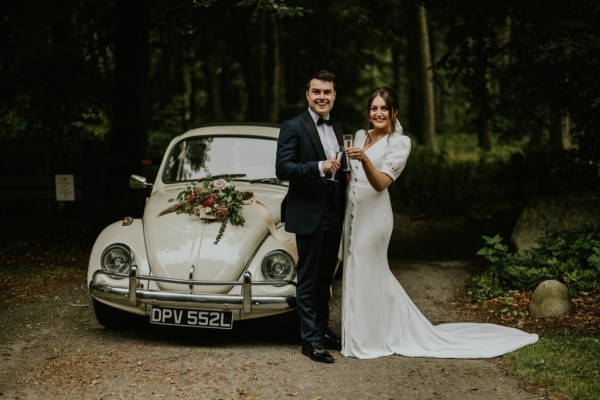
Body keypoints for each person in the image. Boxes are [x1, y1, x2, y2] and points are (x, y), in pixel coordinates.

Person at [341, 86, 539, 359]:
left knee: (368, 267)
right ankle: (357, 334)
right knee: (357, 269)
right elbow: (351, 177)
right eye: (373, 108)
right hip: (353, 212)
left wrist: (364, 160)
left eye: (383, 108)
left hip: (375, 215)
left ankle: (371, 339)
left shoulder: (399, 144)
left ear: (393, 112)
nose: (377, 113)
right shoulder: (361, 136)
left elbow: (380, 184)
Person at [275, 70, 347, 363]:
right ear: (308, 95)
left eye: (327, 92)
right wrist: (319, 166)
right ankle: (310, 341)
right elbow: (284, 169)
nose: (322, 97)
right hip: (308, 212)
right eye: (316, 92)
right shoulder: (293, 126)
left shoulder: (339, 127)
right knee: (308, 277)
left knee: (324, 277)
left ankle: (322, 329)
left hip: (334, 211)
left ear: (334, 96)